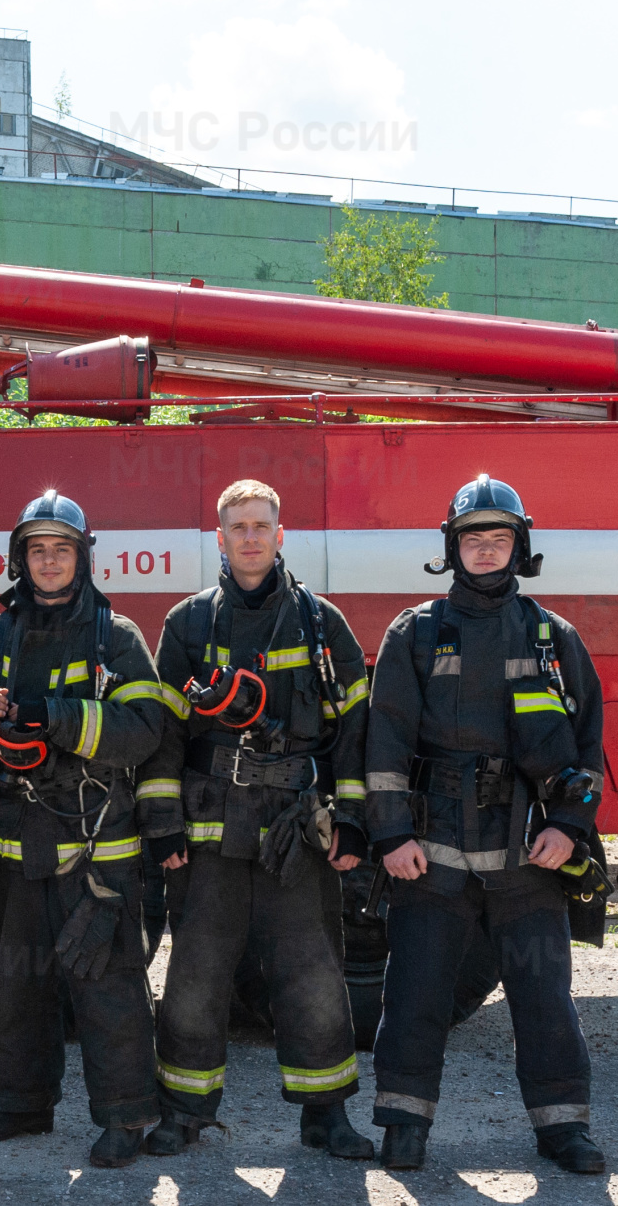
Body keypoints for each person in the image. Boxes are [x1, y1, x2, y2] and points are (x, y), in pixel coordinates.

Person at [364, 474, 606, 1174]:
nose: (486, 549)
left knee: (543, 993)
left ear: (519, 546)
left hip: (529, 850)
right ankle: (404, 1124)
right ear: (453, 547)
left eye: (499, 537)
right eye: (474, 538)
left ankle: (564, 1126)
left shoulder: (553, 637)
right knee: (414, 989)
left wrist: (567, 826)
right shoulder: (415, 633)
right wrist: (390, 835)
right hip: (431, 849)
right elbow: (383, 744)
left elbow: (587, 749)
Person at [0, 490, 172, 1169]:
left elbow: (144, 730)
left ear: (81, 557)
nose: (48, 560)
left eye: (61, 548)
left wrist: (58, 716)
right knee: (18, 983)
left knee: (108, 984)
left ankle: (126, 1116)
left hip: (97, 847)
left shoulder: (114, 637)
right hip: (14, 843)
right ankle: (22, 1104)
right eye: (37, 549)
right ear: (21, 558)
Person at [143, 479, 375, 1160]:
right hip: (211, 834)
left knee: (312, 973)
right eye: (237, 526)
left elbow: (352, 733)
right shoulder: (188, 624)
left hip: (295, 833)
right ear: (219, 538)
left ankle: (325, 1114)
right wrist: (162, 825)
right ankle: (183, 1111)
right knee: (195, 974)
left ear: (281, 534)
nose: (249, 536)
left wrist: (352, 821)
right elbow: (163, 737)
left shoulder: (321, 625)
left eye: (260, 525)